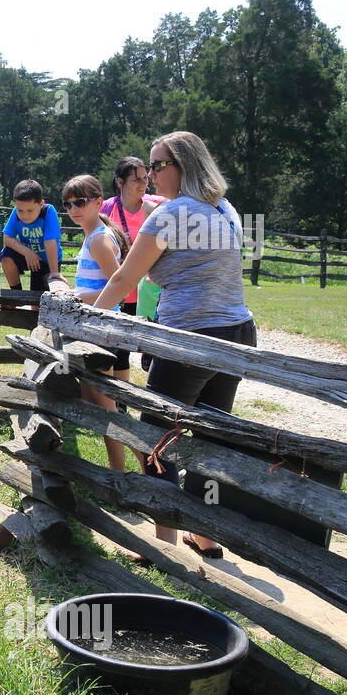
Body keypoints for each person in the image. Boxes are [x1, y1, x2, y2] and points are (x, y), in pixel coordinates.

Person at [86, 131, 256, 557]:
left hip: (191, 337)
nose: (150, 175)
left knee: (155, 436)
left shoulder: (172, 214)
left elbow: (125, 277)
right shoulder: (226, 208)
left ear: (185, 165)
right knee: (208, 434)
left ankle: (162, 545)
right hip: (237, 332)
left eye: (159, 165)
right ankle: (205, 536)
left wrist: (87, 323)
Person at [62, 175, 132, 472]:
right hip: (93, 328)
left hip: (101, 329)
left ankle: (127, 471)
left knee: (108, 408)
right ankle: (128, 469)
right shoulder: (94, 236)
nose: (74, 209)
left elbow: (120, 287)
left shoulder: (100, 240)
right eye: (68, 204)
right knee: (97, 399)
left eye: (80, 202)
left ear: (97, 202)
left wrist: (74, 295)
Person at [101, 157, 166, 380]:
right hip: (121, 288)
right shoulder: (107, 208)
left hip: (150, 291)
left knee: (153, 353)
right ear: (120, 181)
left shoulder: (157, 204)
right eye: (136, 179)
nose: (143, 184)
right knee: (118, 349)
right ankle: (120, 404)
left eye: (145, 178)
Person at [0, 180, 62, 292]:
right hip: (27, 255)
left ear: (41, 204)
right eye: (20, 210)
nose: (24, 215)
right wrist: (27, 252)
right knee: (5, 255)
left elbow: (50, 243)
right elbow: (7, 238)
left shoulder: (48, 211)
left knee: (37, 302)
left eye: (30, 210)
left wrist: (54, 272)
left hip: (48, 260)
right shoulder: (16, 212)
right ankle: (16, 294)